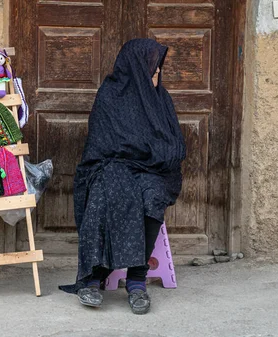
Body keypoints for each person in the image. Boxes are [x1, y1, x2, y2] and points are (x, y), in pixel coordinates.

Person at [59, 38, 186, 315]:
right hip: (110, 163)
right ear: (136, 69)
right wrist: (133, 152)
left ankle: (137, 281)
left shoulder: (161, 99)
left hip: (153, 168)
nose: (156, 75)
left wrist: (150, 154)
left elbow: (173, 144)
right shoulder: (110, 95)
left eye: (157, 69)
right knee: (109, 189)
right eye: (151, 69)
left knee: (152, 195)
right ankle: (94, 278)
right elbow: (101, 144)